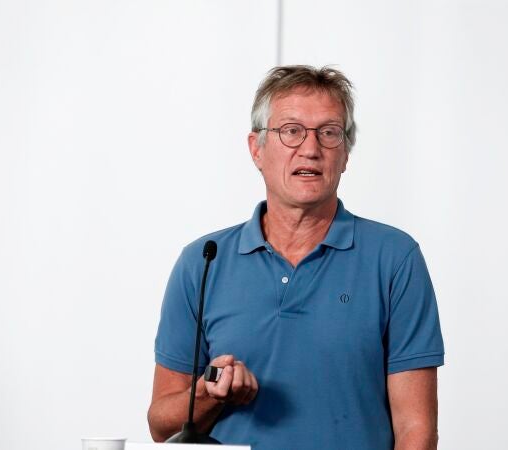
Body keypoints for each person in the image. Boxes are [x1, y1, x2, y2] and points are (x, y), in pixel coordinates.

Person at [148, 65, 444, 450]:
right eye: (291, 131)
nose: (310, 149)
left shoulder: (395, 258)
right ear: (256, 148)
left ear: (346, 153)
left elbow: (416, 430)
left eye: (329, 132)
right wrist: (209, 393)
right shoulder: (202, 261)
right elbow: (161, 426)